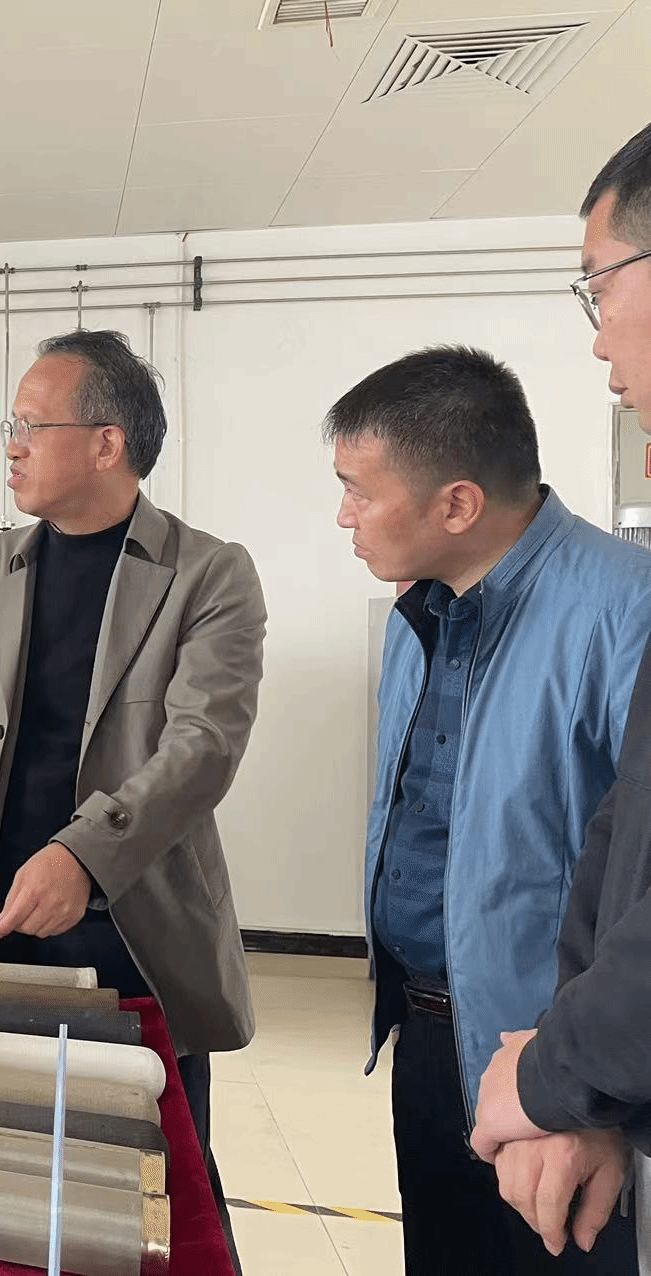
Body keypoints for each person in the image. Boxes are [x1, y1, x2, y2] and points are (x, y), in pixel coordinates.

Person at [0, 329, 265, 1271]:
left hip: (132, 926)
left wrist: (82, 854)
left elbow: (203, 748)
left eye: (30, 426)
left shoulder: (207, 574)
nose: (11, 446)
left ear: (108, 442)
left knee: (158, 1182)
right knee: (2, 1172)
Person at [331, 344, 651, 1273]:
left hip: (563, 1073)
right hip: (433, 1035)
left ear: (458, 504)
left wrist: (593, 1097)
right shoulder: (420, 615)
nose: (343, 516)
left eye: (358, 491)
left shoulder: (624, 612)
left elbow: (636, 880)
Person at [469, 121, 651, 1266]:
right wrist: (570, 1072)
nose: (596, 342)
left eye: (599, 287)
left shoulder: (613, 596)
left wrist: (553, 1070)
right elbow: (622, 831)